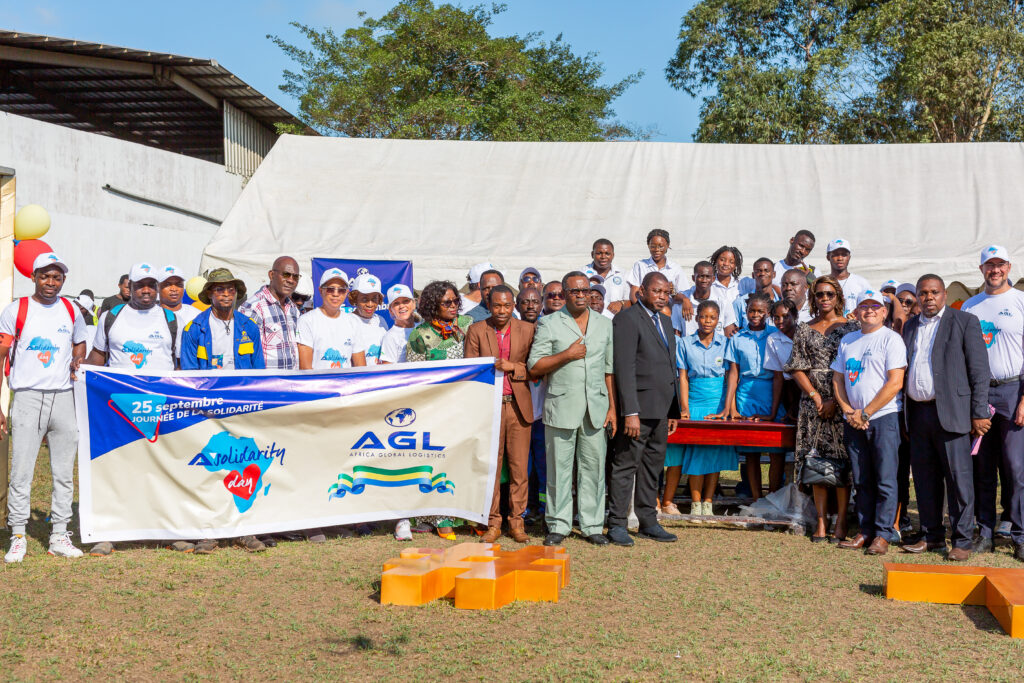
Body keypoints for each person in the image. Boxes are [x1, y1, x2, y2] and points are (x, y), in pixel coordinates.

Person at [1, 252, 87, 562]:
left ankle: (59, 536)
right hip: (27, 397)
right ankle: (18, 536)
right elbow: (2, 355)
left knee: (63, 472)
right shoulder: (17, 309)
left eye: (57, 277)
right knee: (21, 472)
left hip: (64, 397)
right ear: (34, 277)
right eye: (45, 276)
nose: (51, 282)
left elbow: (80, 342)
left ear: (63, 280)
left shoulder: (71, 309)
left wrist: (78, 358)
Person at [901, 274, 991, 561]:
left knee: (958, 479)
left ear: (944, 295)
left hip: (953, 412)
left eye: (934, 292)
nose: (929, 298)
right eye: (923, 293)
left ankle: (962, 540)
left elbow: (979, 371)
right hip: (918, 413)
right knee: (925, 478)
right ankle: (932, 536)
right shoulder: (910, 325)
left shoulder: (964, 321)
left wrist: (978, 412)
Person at [179, 269, 267, 554]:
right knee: (209, 469)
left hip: (242, 408)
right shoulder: (194, 329)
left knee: (245, 467)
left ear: (237, 294)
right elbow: (189, 375)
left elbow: (258, 373)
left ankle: (245, 531)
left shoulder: (249, 327)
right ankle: (208, 531)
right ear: (209, 294)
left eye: (230, 289)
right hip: (207, 411)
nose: (226, 294)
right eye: (219, 289)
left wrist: (255, 406)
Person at [528, 271, 616, 546]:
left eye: (585, 290)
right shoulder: (549, 323)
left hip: (596, 408)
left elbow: (609, 370)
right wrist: (567, 355)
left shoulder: (604, 324)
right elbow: (535, 366)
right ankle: (558, 524)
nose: (581, 295)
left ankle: (592, 525)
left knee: (593, 469)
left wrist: (612, 407)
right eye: (575, 291)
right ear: (564, 294)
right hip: (561, 406)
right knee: (559, 470)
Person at [832, 290, 908, 555]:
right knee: (861, 478)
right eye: (864, 306)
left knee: (885, 478)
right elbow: (838, 379)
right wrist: (847, 410)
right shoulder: (848, 340)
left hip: (883, 417)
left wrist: (865, 413)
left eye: (875, 306)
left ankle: (883, 533)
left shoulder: (891, 339)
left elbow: (895, 382)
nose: (870, 311)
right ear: (856, 312)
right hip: (853, 420)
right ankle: (865, 531)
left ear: (884, 312)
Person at [961, 245, 1024, 561]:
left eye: (1000, 264)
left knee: (1015, 467)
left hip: (1013, 389)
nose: (995, 270)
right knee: (982, 466)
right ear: (981, 269)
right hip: (981, 394)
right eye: (989, 265)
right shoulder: (970, 306)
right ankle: (985, 533)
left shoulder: (1021, 301)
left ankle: (1020, 534)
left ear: (1009, 267)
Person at [607, 272, 680, 546]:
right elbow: (624, 367)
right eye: (656, 291)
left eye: (666, 292)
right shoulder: (627, 319)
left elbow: (669, 366)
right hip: (637, 411)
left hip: (661, 410)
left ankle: (648, 521)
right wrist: (630, 412)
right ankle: (617, 523)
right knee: (626, 466)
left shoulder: (665, 321)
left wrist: (672, 410)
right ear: (641, 292)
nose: (662, 296)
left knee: (652, 467)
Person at [786, 275, 860, 542]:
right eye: (820, 294)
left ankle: (841, 521)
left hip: (844, 402)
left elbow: (855, 366)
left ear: (838, 296)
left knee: (841, 463)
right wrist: (816, 397)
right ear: (813, 298)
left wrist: (836, 401)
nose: (825, 298)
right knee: (816, 463)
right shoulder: (804, 328)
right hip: (813, 405)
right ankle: (820, 521)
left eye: (830, 294)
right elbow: (796, 366)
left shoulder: (852, 328)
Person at [465, 284, 535, 543]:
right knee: (491, 468)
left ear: (513, 305)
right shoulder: (476, 330)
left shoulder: (528, 330)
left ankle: (517, 523)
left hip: (517, 407)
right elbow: (470, 370)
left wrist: (513, 367)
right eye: (497, 305)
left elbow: (536, 368)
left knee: (519, 469)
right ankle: (493, 523)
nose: (502, 310)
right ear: (489, 305)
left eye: (507, 305)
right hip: (489, 408)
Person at [406, 280, 474, 539]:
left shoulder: (468, 325)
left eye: (456, 301)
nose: (453, 306)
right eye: (447, 302)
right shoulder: (420, 335)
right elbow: (416, 378)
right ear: (433, 305)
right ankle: (438, 517)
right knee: (438, 461)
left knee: (464, 460)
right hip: (436, 408)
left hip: (467, 405)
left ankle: (465, 514)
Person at [662, 300, 737, 517]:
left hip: (718, 404)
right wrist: (684, 407)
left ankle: (708, 502)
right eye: (703, 316)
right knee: (696, 454)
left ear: (718, 320)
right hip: (694, 401)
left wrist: (728, 408)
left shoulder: (726, 343)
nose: (707, 321)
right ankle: (695, 504)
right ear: (696, 318)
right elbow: (683, 377)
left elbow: (731, 377)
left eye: (712, 318)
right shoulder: (685, 343)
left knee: (714, 455)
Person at [713, 292, 785, 499]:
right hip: (746, 395)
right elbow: (733, 374)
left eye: (760, 311)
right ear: (745, 312)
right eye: (751, 311)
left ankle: (773, 498)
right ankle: (756, 498)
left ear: (768, 313)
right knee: (751, 452)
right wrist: (730, 407)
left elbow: (779, 376)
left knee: (776, 452)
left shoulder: (775, 335)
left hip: (771, 392)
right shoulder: (737, 338)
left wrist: (774, 411)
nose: (755, 315)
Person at [89, 263, 180, 372]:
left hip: (161, 384)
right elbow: (98, 356)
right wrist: (80, 366)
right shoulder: (110, 317)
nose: (146, 290)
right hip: (120, 384)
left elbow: (181, 366)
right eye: (140, 285)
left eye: (151, 285)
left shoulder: (173, 319)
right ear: (130, 285)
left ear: (157, 287)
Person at [295, 268, 367, 371]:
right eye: (330, 289)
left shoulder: (353, 322)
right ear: (321, 291)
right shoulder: (306, 321)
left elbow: (361, 367)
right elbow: (305, 369)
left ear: (346, 292)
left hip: (346, 381)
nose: (335, 294)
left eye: (341, 290)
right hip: (318, 381)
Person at [237, 256, 301, 370]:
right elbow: (246, 356)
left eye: (295, 277)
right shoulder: (252, 308)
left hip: (292, 378)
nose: (291, 280)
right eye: (286, 275)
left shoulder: (293, 309)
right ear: (271, 275)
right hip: (267, 379)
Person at [517, 288, 547, 523]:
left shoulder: (549, 330)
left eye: (535, 301)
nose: (530, 306)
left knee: (544, 466)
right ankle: (524, 508)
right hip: (520, 410)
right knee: (522, 466)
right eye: (525, 301)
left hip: (545, 411)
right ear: (517, 305)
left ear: (541, 304)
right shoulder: (512, 332)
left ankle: (546, 508)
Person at [672, 261, 737, 337]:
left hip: (717, 344)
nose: (704, 280)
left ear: (713, 279)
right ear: (693, 278)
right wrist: (685, 300)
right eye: (701, 276)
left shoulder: (723, 301)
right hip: (689, 344)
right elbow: (676, 334)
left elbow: (729, 334)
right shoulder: (681, 303)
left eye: (708, 277)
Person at [627, 229, 685, 304]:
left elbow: (684, 295)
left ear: (667, 245)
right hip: (645, 307)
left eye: (661, 246)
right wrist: (642, 310)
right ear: (648, 246)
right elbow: (634, 294)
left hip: (668, 309)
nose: (656, 250)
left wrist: (672, 292)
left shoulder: (675, 268)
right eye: (653, 246)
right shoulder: (640, 265)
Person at [765, 299, 799, 424]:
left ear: (795, 316)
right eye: (776, 318)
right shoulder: (773, 339)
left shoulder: (805, 334)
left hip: (807, 390)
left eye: (785, 316)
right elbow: (778, 377)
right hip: (789, 390)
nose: (780, 321)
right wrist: (772, 414)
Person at [348, 273, 388, 364]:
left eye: (374, 299)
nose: (370, 304)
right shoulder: (347, 322)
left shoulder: (381, 320)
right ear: (355, 298)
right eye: (364, 299)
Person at [583, 238, 630, 314]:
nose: (603, 257)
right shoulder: (581, 274)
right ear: (592, 254)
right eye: (599, 253)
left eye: (607, 253)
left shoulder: (624, 274)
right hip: (589, 318)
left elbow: (630, 300)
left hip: (615, 319)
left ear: (613, 255)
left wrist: (621, 303)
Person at [732, 257, 781, 331]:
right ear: (753, 275)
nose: (762, 273)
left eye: (766, 271)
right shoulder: (740, 303)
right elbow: (734, 332)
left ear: (774, 274)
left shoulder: (782, 302)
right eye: (759, 271)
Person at [824, 238, 870, 314]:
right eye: (836, 255)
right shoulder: (822, 283)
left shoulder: (861, 283)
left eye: (844, 255)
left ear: (849, 257)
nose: (840, 258)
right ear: (828, 257)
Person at [379, 284, 416, 365]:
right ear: (391, 310)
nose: (401, 306)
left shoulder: (423, 326)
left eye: (406, 301)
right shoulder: (390, 337)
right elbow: (387, 370)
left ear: (414, 304)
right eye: (396, 303)